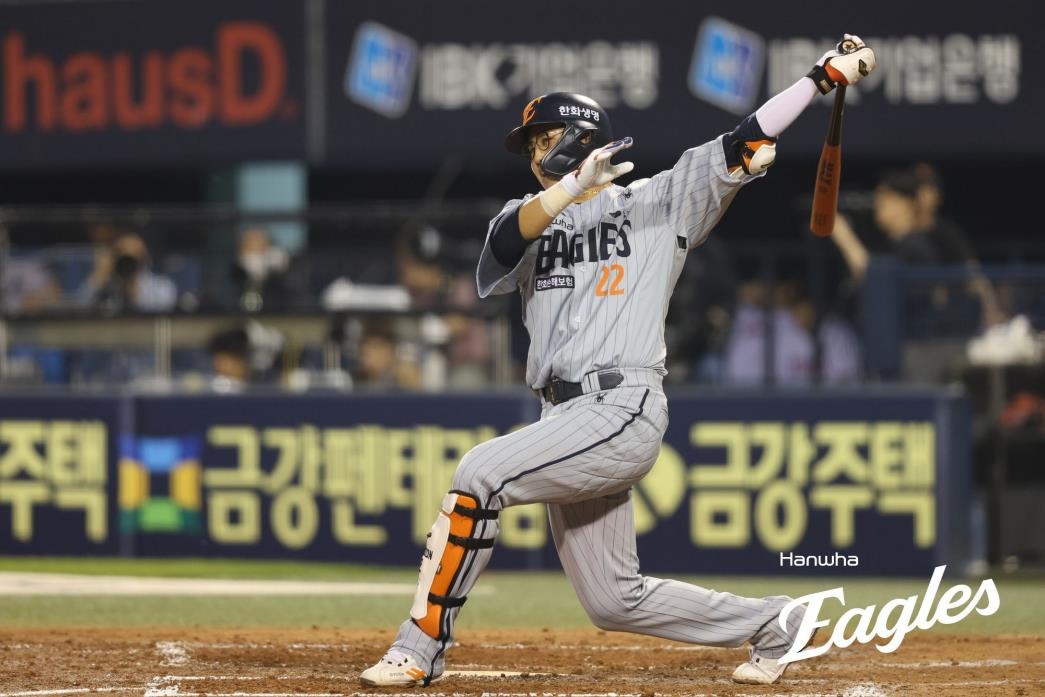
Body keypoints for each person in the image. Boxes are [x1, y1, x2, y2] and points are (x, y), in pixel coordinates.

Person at [359, 35, 877, 688]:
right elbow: (501, 248)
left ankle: (419, 648)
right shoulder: (528, 218)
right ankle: (779, 620)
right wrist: (569, 188)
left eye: (545, 140)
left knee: (479, 472)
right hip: (562, 415)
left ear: (580, 137)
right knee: (612, 599)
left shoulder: (656, 201)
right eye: (530, 145)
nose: (534, 155)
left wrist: (819, 79)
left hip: (622, 404)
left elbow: (746, 137)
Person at [77, 231, 177, 312]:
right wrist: (97, 277)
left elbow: (161, 315)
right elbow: (79, 308)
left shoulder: (161, 286)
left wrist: (133, 290)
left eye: (133, 257)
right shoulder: (107, 286)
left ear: (144, 258)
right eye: (122, 256)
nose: (127, 264)